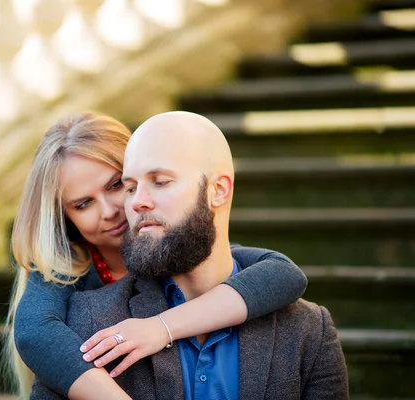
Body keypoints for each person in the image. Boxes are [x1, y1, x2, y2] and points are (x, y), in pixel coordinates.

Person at [28, 111, 349, 400]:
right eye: (131, 186)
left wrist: (161, 327)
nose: (121, 208)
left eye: (117, 186)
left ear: (219, 189)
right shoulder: (78, 306)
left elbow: (284, 274)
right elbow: (35, 334)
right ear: (65, 220)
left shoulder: (308, 329)